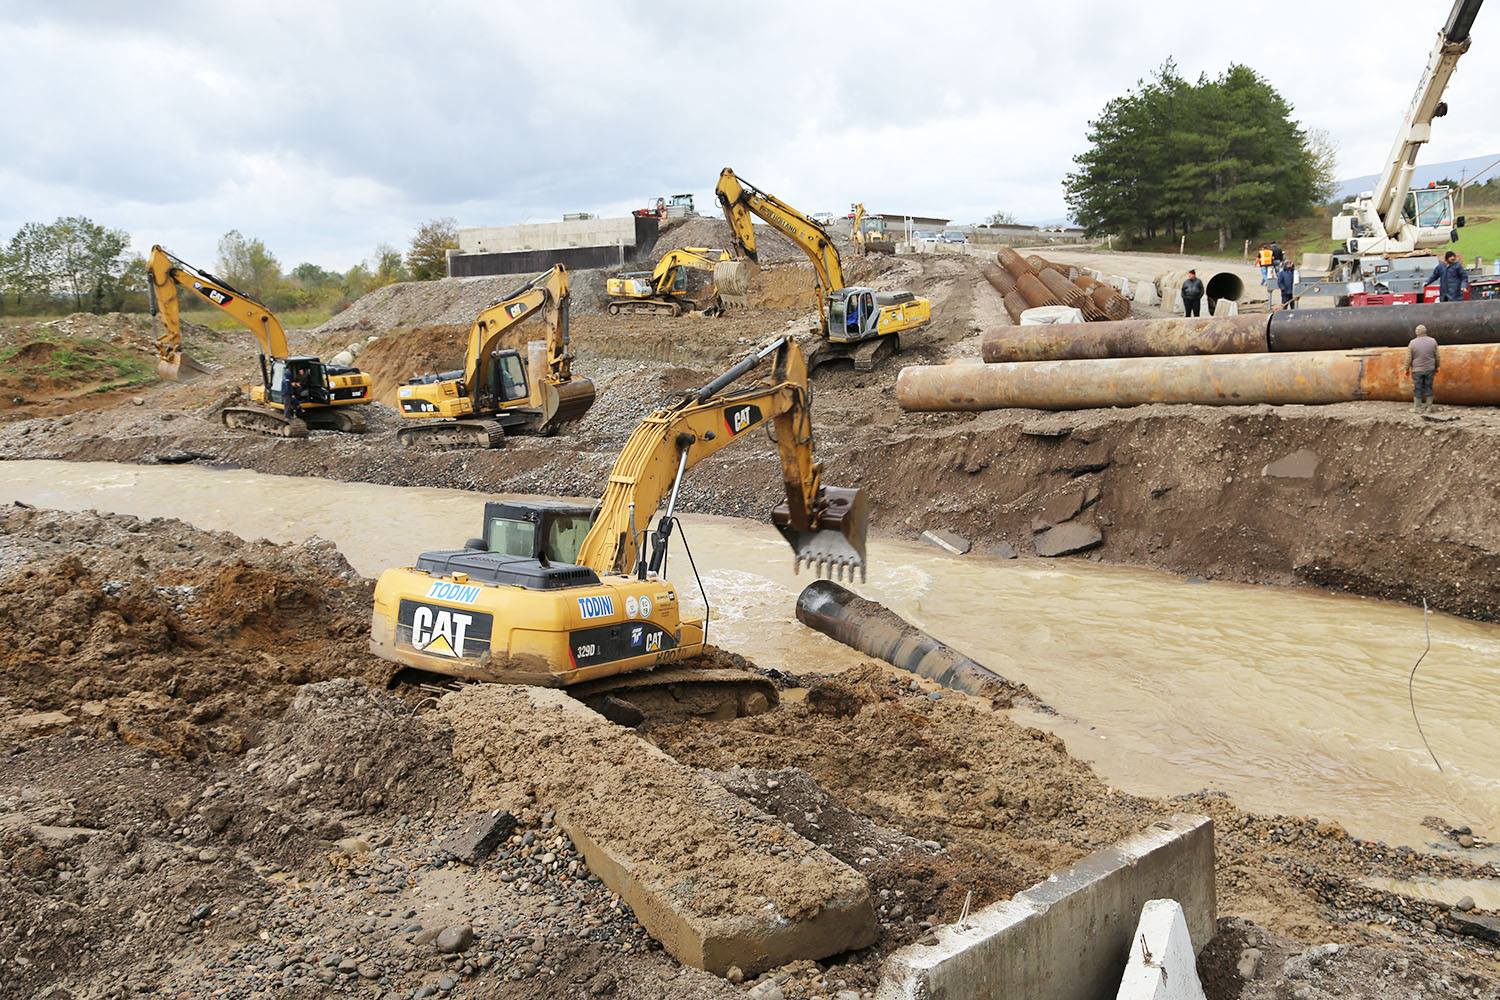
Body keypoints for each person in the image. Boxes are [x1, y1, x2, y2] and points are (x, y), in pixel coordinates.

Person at [1405, 323, 1439, 414]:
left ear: (1417, 333)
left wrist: (1406, 369)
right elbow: (1437, 356)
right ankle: (1429, 408)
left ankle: (1417, 408)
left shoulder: (1412, 343)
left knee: (1418, 388)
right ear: (1425, 332)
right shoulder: (1433, 341)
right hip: (1430, 369)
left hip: (1417, 370)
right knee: (1429, 387)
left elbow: (1409, 358)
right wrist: (1437, 366)